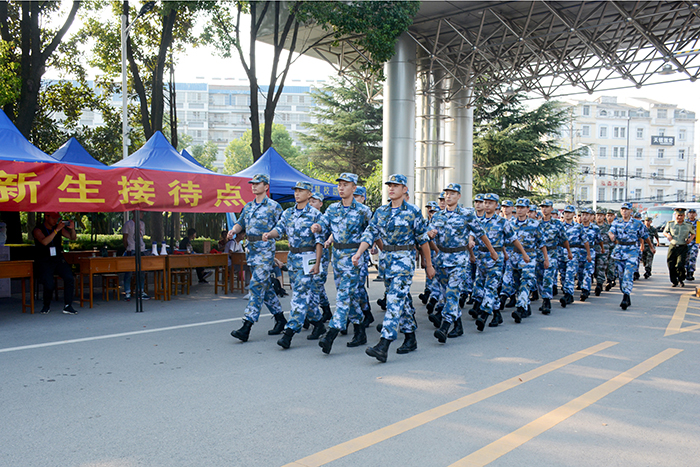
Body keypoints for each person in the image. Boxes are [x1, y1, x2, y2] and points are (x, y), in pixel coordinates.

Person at [352, 174, 434, 362]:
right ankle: (411, 338)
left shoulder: (412, 211)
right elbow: (370, 234)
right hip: (387, 261)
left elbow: (423, 240)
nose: (391, 188)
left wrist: (428, 265)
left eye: (396, 186)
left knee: (394, 301)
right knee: (402, 300)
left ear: (405, 189)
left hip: (404, 262)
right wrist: (358, 253)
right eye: (389, 185)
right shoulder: (381, 212)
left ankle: (384, 343)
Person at [311, 173, 372, 355]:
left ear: (354, 188)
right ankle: (360, 330)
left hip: (354, 259)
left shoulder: (363, 211)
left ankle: (331, 334)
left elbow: (371, 232)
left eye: (345, 185)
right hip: (337, 258)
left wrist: (365, 251)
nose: (341, 188)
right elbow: (323, 223)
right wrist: (318, 227)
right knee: (349, 297)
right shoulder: (332, 209)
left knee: (343, 296)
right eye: (340, 185)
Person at [263, 181, 324, 349]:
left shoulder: (315, 215)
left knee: (299, 296)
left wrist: (318, 263)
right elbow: (279, 229)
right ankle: (318, 323)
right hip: (294, 258)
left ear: (309, 194)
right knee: (305, 295)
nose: (297, 193)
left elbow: (319, 241)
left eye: (301, 190)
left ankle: (290, 332)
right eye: (295, 190)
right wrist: (269, 234)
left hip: (308, 258)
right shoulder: (288, 213)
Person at [229, 174, 285, 342]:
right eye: (252, 184)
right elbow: (241, 223)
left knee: (255, 286)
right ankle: (281, 319)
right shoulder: (248, 206)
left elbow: (282, 227)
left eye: (257, 183)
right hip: (251, 251)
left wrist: (272, 235)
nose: (253, 186)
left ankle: (247, 325)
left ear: (266, 186)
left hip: (265, 250)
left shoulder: (274, 207)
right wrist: (234, 230)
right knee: (266, 288)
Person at [506, 198, 548, 322]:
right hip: (514, 257)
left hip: (529, 258)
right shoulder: (510, 224)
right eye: (518, 207)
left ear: (528, 209)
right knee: (517, 284)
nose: (520, 210)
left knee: (526, 281)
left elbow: (542, 243)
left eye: (522, 208)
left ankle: (520, 309)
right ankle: (526, 307)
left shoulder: (535, 224)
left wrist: (546, 259)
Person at [608, 202, 656, 309]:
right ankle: (626, 294)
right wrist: (612, 236)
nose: (624, 211)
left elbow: (645, 236)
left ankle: (625, 297)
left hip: (632, 251)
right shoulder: (616, 222)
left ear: (631, 211)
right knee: (621, 276)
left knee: (628, 274)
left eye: (627, 209)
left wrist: (651, 247)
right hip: (619, 251)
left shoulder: (637, 224)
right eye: (623, 209)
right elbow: (611, 232)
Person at [33, 212, 78, 314]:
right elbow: (44, 242)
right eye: (53, 218)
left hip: (58, 258)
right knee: (49, 284)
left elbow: (73, 238)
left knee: (69, 278)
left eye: (57, 218)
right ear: (46, 217)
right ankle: (46, 305)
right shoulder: (38, 229)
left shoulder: (59, 229)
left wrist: (72, 229)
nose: (55, 221)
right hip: (45, 260)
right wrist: (56, 230)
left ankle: (68, 305)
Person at [535, 200, 571, 315]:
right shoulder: (536, 224)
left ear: (551, 208)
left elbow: (564, 239)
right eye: (542, 207)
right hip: (538, 254)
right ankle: (544, 296)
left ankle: (546, 301)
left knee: (548, 277)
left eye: (546, 207)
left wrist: (569, 251)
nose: (544, 209)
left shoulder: (557, 224)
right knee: (539, 278)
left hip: (552, 253)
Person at [309, 192, 332, 325]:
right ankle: (326, 310)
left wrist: (328, 241)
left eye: (314, 201)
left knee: (316, 285)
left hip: (321, 256)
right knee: (317, 286)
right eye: (310, 201)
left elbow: (333, 233)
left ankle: (311, 316)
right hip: (308, 256)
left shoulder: (324, 219)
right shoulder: (308, 218)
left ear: (321, 204)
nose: (311, 203)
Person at [664, 208, 695, 287]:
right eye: (678, 215)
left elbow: (693, 234)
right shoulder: (670, 224)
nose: (679, 217)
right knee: (671, 264)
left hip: (682, 247)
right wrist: (668, 235)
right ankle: (674, 281)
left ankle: (681, 279)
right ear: (675, 215)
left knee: (680, 265)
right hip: (673, 247)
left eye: (681, 216)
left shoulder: (688, 225)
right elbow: (665, 232)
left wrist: (690, 239)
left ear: (684, 216)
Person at [122, 211, 149, 301]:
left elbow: (142, 236)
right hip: (131, 249)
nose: (143, 214)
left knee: (141, 271)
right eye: (141, 213)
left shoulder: (142, 224)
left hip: (141, 249)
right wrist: (128, 247)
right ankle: (127, 291)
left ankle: (140, 290)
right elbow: (125, 238)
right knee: (129, 271)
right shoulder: (128, 224)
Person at [685, 208, 698, 280]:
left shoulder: (698, 223)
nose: (692, 214)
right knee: (686, 258)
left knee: (692, 257)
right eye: (690, 213)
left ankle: (691, 273)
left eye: (693, 213)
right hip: (686, 242)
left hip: (695, 243)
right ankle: (686, 271)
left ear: (696, 214)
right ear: (687, 214)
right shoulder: (685, 223)